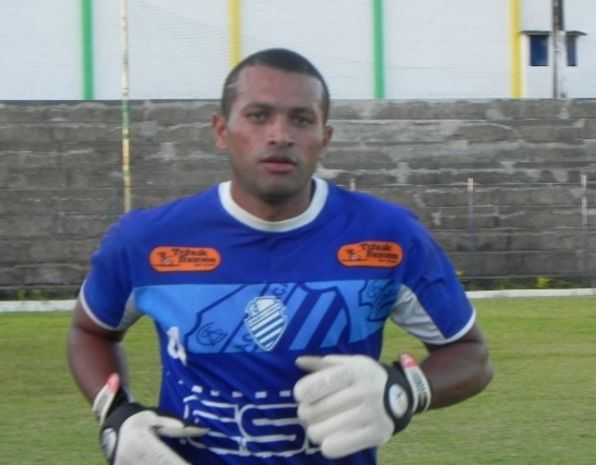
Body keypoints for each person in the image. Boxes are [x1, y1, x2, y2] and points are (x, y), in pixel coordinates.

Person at [68, 48, 494, 465]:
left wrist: (403, 390)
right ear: (221, 131)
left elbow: (471, 355)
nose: (280, 135)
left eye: (302, 119)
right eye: (258, 115)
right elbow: (91, 332)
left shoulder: (390, 236)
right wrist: (115, 414)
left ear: (325, 139)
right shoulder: (147, 241)